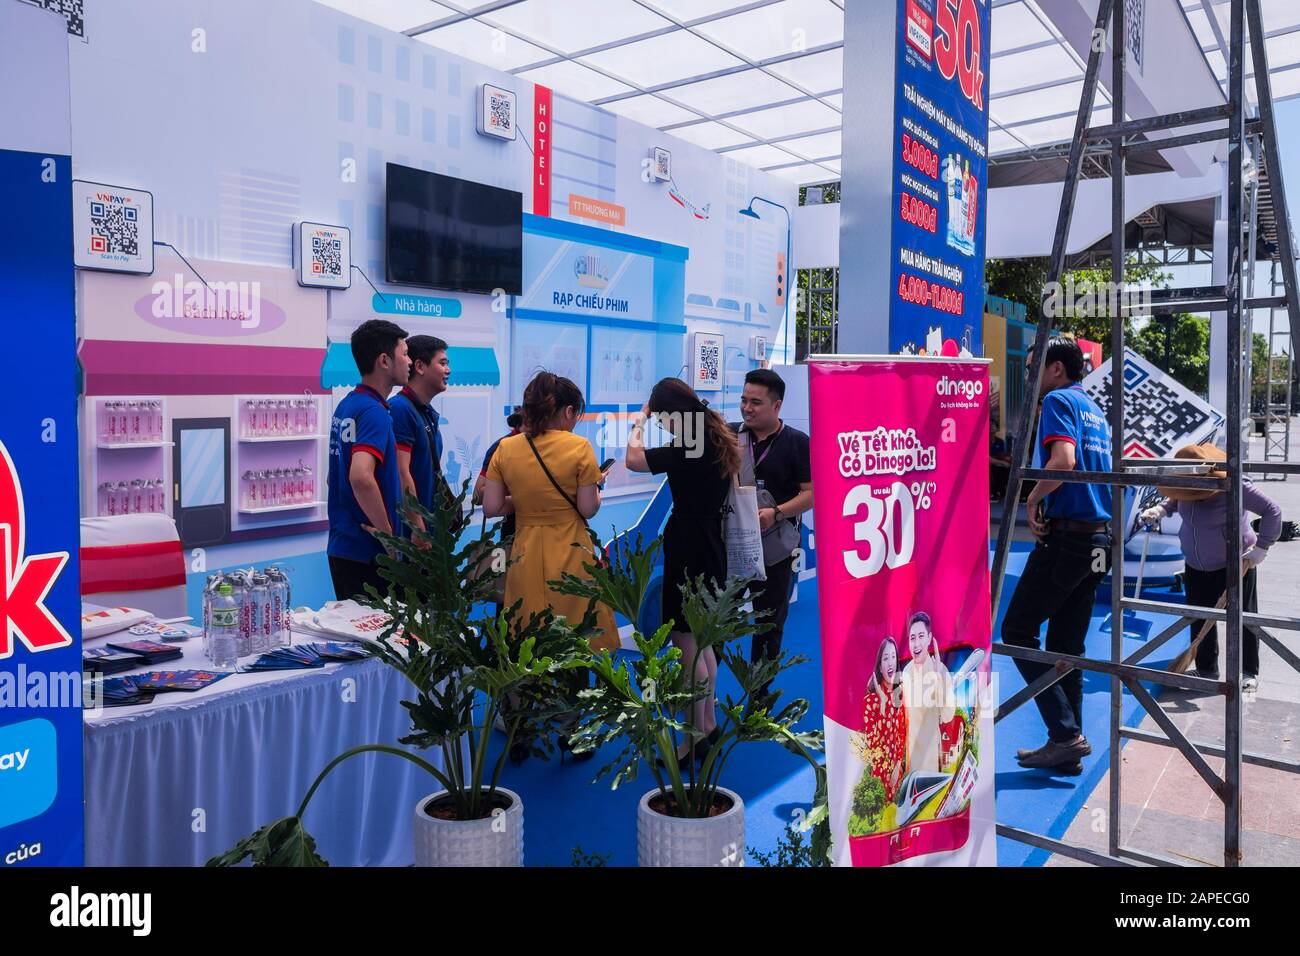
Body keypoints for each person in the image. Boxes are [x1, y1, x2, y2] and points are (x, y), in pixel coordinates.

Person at [1001, 336, 1113, 775]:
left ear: (1057, 370)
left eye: (1033, 368)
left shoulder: (1057, 402)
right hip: (1097, 541)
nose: (1029, 377)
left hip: (1069, 541)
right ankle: (1067, 745)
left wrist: (1032, 497)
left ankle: (1065, 735)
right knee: (1067, 645)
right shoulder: (1095, 410)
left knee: (1015, 631)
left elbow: (1063, 461)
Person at [626, 377, 740, 766]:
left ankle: (694, 739)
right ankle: (707, 726)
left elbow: (633, 460)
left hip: (688, 545)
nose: (659, 424)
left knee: (687, 646)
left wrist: (638, 422)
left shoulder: (689, 443)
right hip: (710, 543)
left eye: (659, 417)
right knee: (703, 641)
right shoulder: (714, 433)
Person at [481, 373, 618, 647]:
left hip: (524, 553)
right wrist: (598, 490)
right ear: (568, 411)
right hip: (571, 551)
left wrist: (525, 501)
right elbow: (587, 508)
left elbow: (492, 507)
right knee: (576, 638)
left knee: (527, 639)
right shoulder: (579, 446)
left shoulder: (506, 448)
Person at [1140, 443, 1281, 691]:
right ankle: (1206, 669)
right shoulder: (1185, 485)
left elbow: (1272, 510)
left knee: (1244, 619)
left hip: (1235, 564)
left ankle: (1248, 671)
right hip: (1195, 563)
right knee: (1199, 617)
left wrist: (1262, 547)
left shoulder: (1236, 485)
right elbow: (1177, 497)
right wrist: (1161, 509)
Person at [731, 368, 813, 679]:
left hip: (778, 552)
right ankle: (705, 696)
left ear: (776, 406)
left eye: (755, 402)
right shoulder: (731, 436)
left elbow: (812, 495)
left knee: (768, 626)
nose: (747, 408)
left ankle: (758, 702)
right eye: (743, 400)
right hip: (734, 547)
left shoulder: (797, 443)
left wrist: (776, 513)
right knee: (717, 619)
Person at [326, 319, 411, 601]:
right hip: (368, 553)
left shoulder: (347, 405)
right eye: (405, 354)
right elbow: (360, 477)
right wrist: (388, 536)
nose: (409, 361)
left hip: (343, 546)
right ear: (384, 360)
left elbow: (333, 477)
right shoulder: (374, 411)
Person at [389, 335, 449, 541]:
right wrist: (417, 525)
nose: (448, 370)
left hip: (429, 527)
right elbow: (400, 470)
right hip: (411, 535)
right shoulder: (400, 409)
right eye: (442, 363)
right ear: (420, 367)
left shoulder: (425, 411)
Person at [899, 612, 954, 775]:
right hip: (909, 762)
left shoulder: (941, 671)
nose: (916, 644)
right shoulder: (906, 672)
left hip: (930, 761)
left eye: (921, 636)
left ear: (929, 638)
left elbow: (948, 715)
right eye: (912, 638)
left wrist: (937, 679)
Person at [860, 636, 908, 802]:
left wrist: (896, 768)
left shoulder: (900, 693)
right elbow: (873, 743)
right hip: (879, 778)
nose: (890, 662)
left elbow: (902, 734)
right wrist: (882, 705)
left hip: (898, 773)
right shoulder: (869, 701)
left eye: (893, 657)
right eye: (886, 658)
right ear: (880, 667)